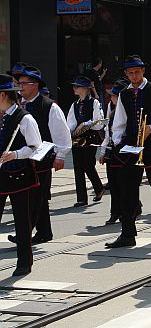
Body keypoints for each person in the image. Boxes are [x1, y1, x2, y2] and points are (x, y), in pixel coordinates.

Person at [107, 55, 151, 248]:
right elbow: (119, 121)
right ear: (126, 74)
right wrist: (118, 142)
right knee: (127, 191)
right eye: (130, 73)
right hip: (131, 148)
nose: (134, 76)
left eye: (137, 72)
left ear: (143, 71)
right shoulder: (125, 94)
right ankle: (127, 233)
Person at [9, 66, 71, 246]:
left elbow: (62, 134)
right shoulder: (17, 105)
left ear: (35, 85)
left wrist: (60, 155)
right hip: (22, 158)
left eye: (23, 84)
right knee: (37, 197)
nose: (20, 87)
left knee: (36, 198)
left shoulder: (49, 106)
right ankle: (44, 232)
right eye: (18, 83)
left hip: (42, 158)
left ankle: (25, 233)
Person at [0, 74, 42, 276]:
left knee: (22, 222)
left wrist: (15, 154)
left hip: (20, 176)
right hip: (1, 176)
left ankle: (24, 262)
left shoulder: (24, 118)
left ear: (2, 95)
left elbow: (36, 147)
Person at [66, 75, 105, 207]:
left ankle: (99, 188)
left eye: (76, 86)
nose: (74, 88)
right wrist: (71, 131)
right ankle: (81, 198)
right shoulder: (74, 104)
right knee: (78, 167)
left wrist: (84, 124)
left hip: (90, 138)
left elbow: (99, 122)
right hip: (77, 139)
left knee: (88, 165)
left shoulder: (94, 102)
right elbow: (70, 122)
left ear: (84, 89)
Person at [99, 79, 131, 225]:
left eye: (114, 96)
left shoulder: (128, 111)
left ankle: (131, 209)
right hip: (112, 151)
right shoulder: (111, 111)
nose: (111, 98)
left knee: (125, 185)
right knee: (113, 183)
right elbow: (107, 132)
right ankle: (115, 212)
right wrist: (103, 150)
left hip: (124, 152)